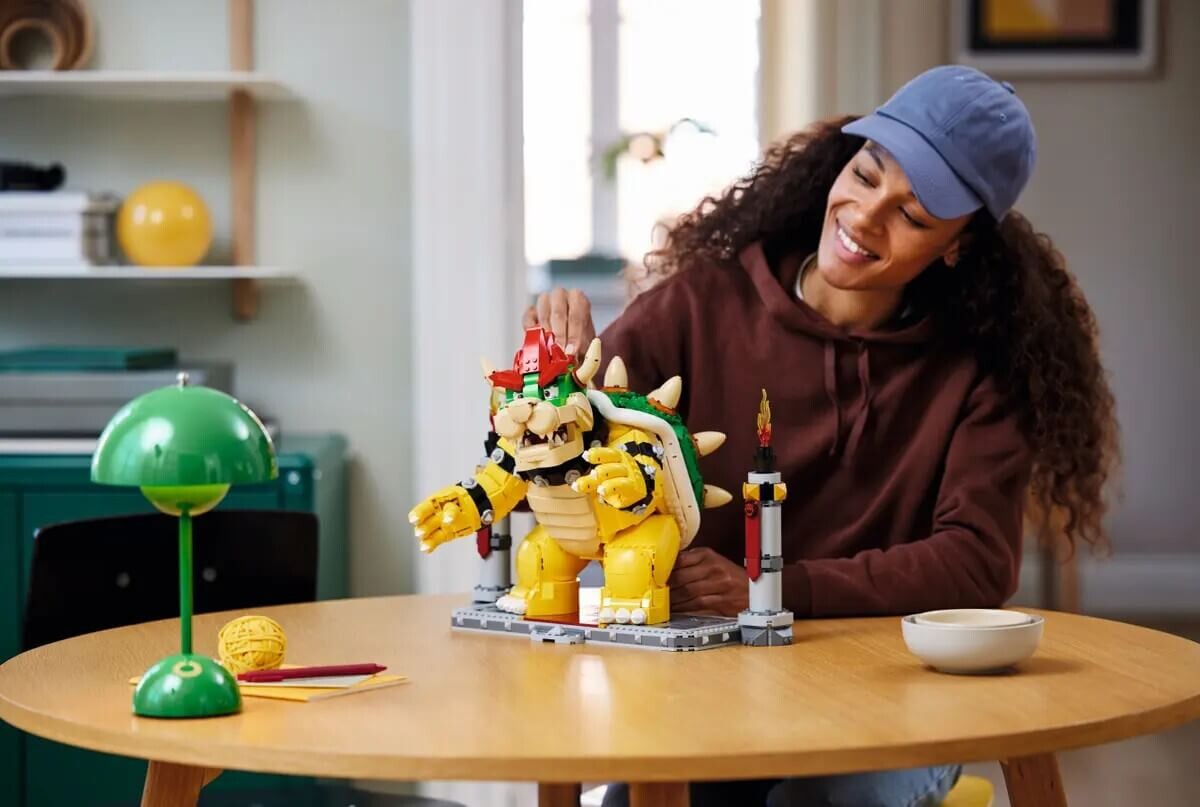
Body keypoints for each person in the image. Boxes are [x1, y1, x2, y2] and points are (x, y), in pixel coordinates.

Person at [523, 65, 1120, 807]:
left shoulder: (985, 367)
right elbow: (571, 461)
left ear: (959, 245)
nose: (865, 218)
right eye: (865, 175)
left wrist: (773, 589)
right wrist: (555, 380)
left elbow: (977, 560)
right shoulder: (702, 303)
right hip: (714, 685)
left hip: (892, 694)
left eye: (913, 215)